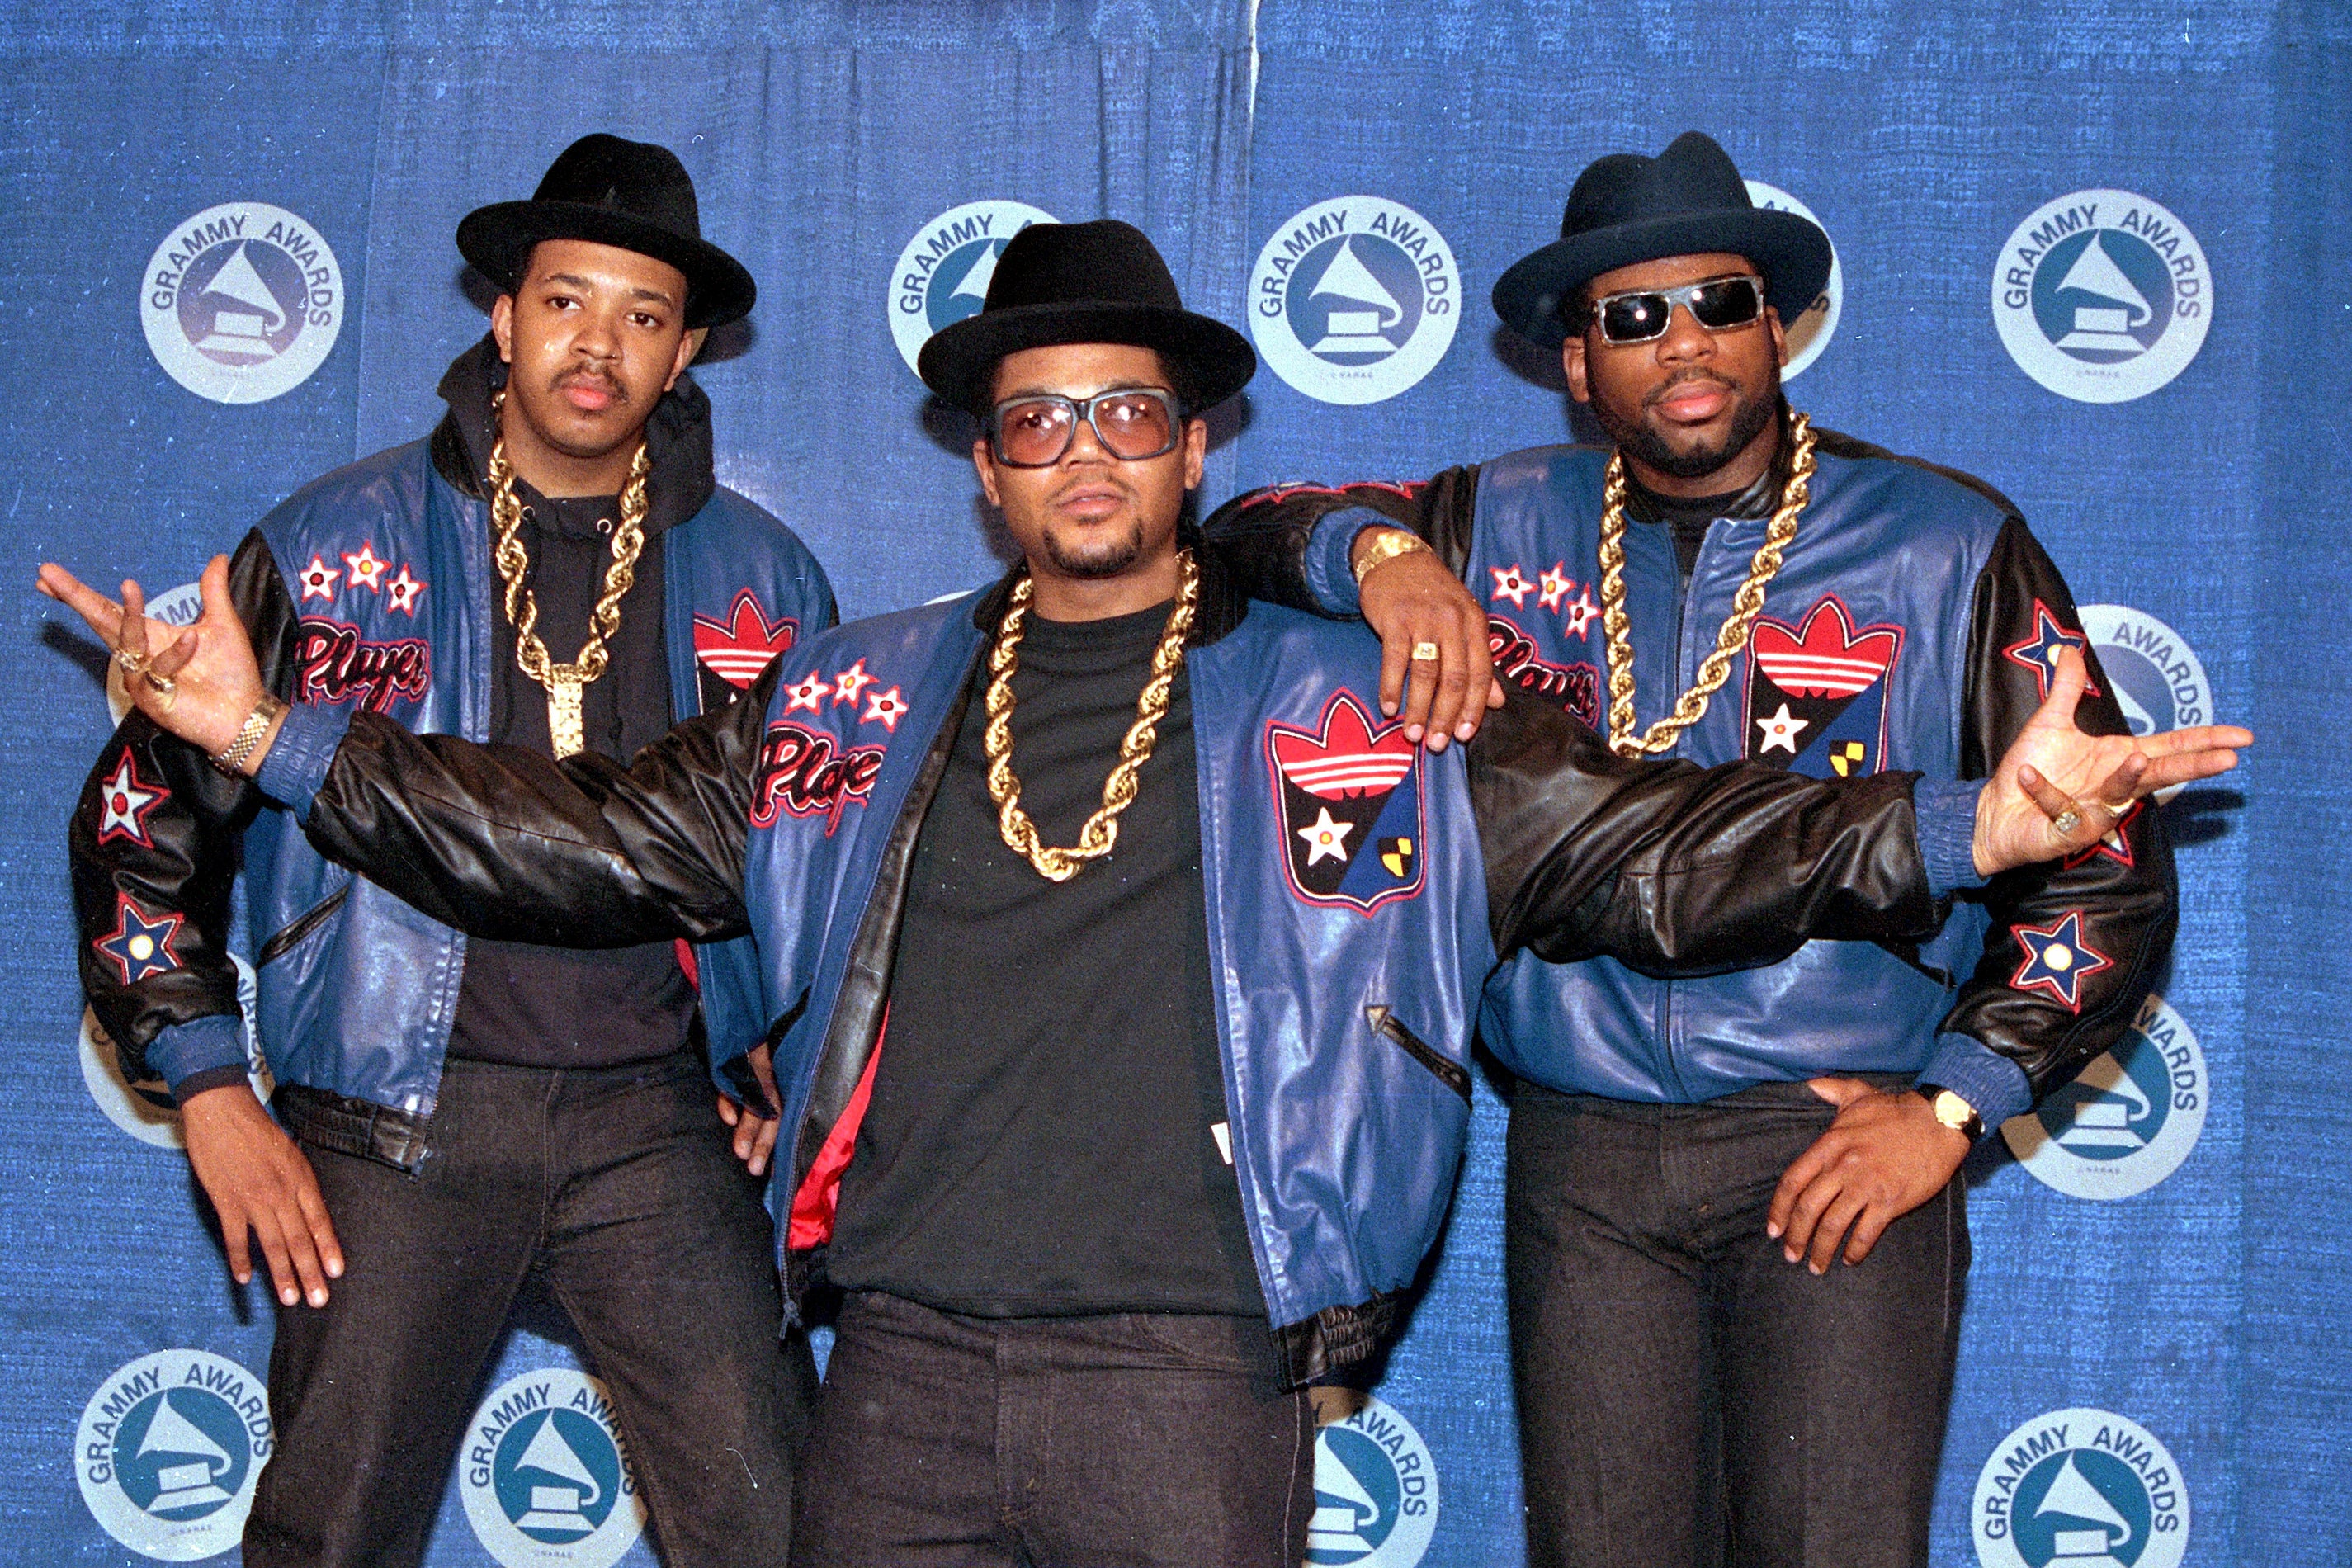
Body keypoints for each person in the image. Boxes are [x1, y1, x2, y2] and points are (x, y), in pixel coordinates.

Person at [44, 219, 2241, 1568]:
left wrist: (1967, 830)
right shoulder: (854, 692)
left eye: (1124, 412)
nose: (1082, 452)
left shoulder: (1355, 697)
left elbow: (1669, 850)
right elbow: (572, 838)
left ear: (1194, 447)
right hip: (891, 1367)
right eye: (1032, 419)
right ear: (980, 463)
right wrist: (270, 742)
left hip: (1195, 1378)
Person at [1206, 130, 2197, 1568]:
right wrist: (1381, 556)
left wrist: (1952, 1107)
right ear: (1573, 362)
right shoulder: (1489, 523)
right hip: (1581, 1153)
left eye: (1721, 302)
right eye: (1633, 315)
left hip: (1826, 1134)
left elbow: (2103, 860)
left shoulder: (1944, 541)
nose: (1685, 344)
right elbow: (1237, 530)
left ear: (1776, 323)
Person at [64, 134, 834, 1567]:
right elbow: (138, 829)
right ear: (501, 316)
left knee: (780, 1528)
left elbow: (816, 867)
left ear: (687, 357)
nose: (596, 346)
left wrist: (779, 1065)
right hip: (389, 1114)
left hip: (660, 1129)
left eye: (643, 317)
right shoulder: (327, 544)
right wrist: (209, 1085)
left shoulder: (767, 580)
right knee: (328, 1539)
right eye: (563, 301)